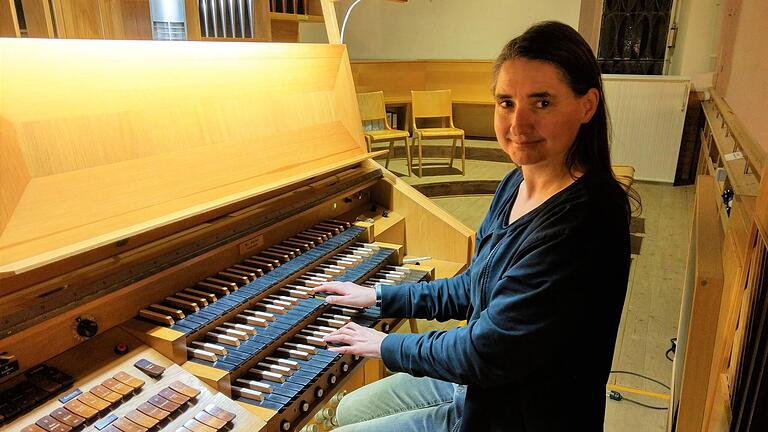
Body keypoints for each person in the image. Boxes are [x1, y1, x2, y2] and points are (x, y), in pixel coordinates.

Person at [313, 20, 637, 432]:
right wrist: (377, 296)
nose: (518, 125)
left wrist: (386, 344)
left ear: (586, 105)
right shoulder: (517, 182)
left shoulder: (585, 220)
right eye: (506, 102)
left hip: (517, 415)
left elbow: (486, 351)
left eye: (542, 103)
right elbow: (473, 287)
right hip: (481, 389)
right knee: (345, 412)